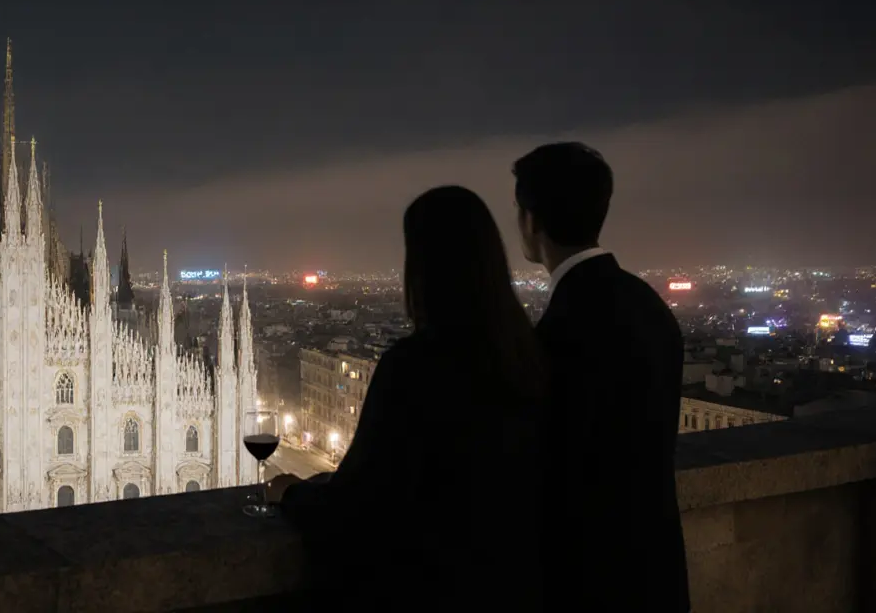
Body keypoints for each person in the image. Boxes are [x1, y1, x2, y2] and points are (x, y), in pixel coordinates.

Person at [268, 186, 546, 609]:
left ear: (420, 268)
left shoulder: (416, 366)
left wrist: (289, 493)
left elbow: (357, 507)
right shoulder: (531, 355)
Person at [512, 142, 689, 612]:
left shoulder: (559, 329)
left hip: (588, 585)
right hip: (658, 577)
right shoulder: (650, 307)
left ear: (531, 220)